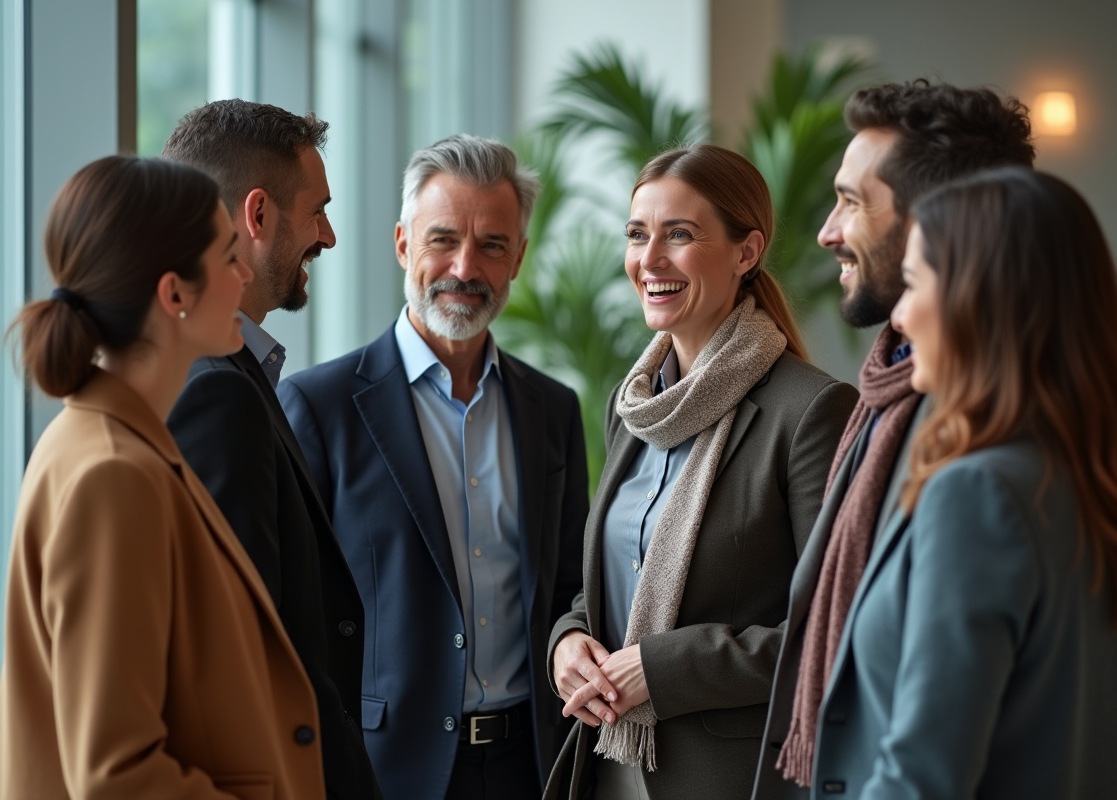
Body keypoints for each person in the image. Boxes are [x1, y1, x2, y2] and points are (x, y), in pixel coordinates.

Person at [808, 167, 1117, 799]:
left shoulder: (978, 493)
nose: (900, 315)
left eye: (914, 284)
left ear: (980, 301)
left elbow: (921, 779)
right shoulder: (1104, 477)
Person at [0, 155, 325, 799]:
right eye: (227, 257)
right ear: (174, 295)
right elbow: (116, 773)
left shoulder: (107, 440)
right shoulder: (113, 475)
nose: (243, 275)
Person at [277, 134, 589, 800]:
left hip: (532, 767)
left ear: (518, 258)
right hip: (383, 770)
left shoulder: (553, 410)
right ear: (402, 245)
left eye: (492, 246)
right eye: (442, 240)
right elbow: (294, 614)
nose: (465, 267)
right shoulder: (317, 407)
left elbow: (571, 588)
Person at [544, 144, 859, 800]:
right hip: (606, 767)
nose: (649, 259)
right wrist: (568, 641)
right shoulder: (632, 405)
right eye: (637, 235)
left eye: (680, 235)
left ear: (747, 252)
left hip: (727, 781)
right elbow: (617, 577)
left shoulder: (810, 411)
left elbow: (834, 630)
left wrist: (663, 670)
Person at [755, 81, 1037, 799]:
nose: (827, 231)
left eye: (851, 201)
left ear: (936, 223)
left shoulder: (984, 448)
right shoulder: (886, 395)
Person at [162, 100, 380, 800]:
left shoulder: (205, 369)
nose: (329, 236)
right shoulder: (215, 391)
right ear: (257, 215)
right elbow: (243, 652)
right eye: (317, 211)